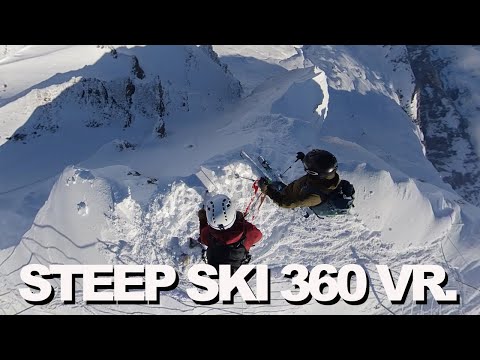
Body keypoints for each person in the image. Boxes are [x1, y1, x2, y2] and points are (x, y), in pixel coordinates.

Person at [258, 149, 355, 212]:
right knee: (288, 187)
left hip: (291, 195)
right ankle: (284, 188)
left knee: (284, 192)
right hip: (298, 187)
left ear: (315, 173)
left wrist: (267, 191)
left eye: (307, 168)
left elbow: (287, 203)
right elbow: (320, 166)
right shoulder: (327, 176)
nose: (306, 169)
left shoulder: (315, 197)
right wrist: (305, 159)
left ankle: (282, 190)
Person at [197, 194, 263, 273]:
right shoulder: (247, 232)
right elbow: (258, 235)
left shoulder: (207, 234)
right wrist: (241, 221)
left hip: (222, 267)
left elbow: (203, 236)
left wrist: (202, 220)